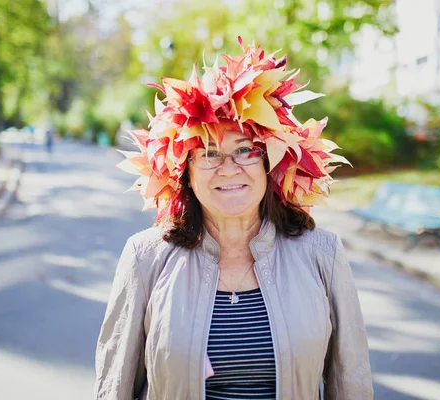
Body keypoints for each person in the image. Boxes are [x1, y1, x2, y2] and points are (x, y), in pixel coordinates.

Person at [95, 38, 373, 400]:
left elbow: (351, 380)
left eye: (245, 150)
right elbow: (115, 385)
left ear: (270, 163)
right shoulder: (145, 258)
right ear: (185, 174)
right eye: (209, 153)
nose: (228, 169)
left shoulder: (323, 255)